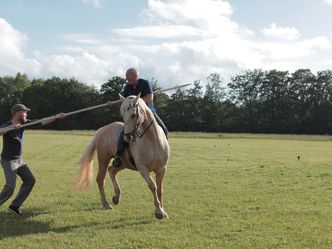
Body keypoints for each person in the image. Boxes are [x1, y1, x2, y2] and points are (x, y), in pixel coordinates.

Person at [0, 104, 64, 216]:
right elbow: (1, 131)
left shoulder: (25, 123)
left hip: (19, 160)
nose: (26, 114)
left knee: (30, 180)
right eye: (25, 112)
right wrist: (11, 128)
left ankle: (14, 206)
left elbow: (41, 121)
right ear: (17, 113)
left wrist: (56, 117)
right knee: (10, 187)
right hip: (9, 161)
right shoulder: (7, 125)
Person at [112, 68, 168, 167]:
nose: (126, 78)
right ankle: (119, 156)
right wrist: (112, 103)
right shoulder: (127, 87)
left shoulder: (145, 83)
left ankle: (163, 153)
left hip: (149, 115)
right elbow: (124, 102)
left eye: (127, 76)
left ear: (134, 75)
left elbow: (149, 98)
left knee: (164, 130)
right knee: (124, 133)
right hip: (133, 116)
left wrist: (136, 103)